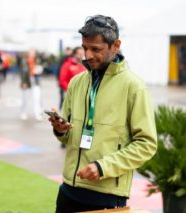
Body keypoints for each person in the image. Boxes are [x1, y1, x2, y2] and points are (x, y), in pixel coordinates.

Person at [48, 15, 157, 212]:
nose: (88, 55)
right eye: (85, 47)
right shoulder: (77, 82)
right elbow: (68, 138)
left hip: (106, 197)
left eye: (95, 49)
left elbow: (147, 144)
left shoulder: (134, 87)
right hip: (68, 190)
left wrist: (103, 167)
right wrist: (61, 130)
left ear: (115, 45)